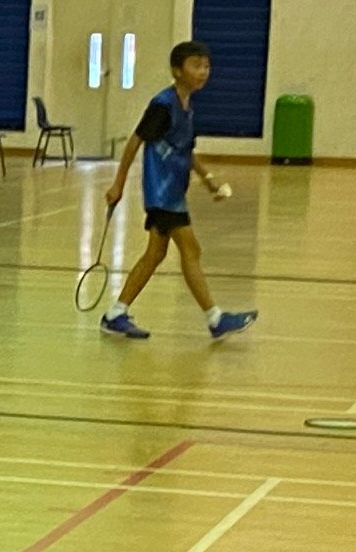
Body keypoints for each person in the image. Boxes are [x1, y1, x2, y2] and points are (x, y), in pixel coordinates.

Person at [100, 40, 256, 342]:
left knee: (155, 254)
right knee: (191, 250)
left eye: (206, 66)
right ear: (177, 70)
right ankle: (215, 318)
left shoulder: (186, 106)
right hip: (161, 194)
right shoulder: (163, 105)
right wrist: (118, 183)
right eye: (196, 65)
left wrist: (207, 178)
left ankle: (115, 314)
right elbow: (135, 142)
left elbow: (185, 151)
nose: (203, 71)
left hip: (172, 193)